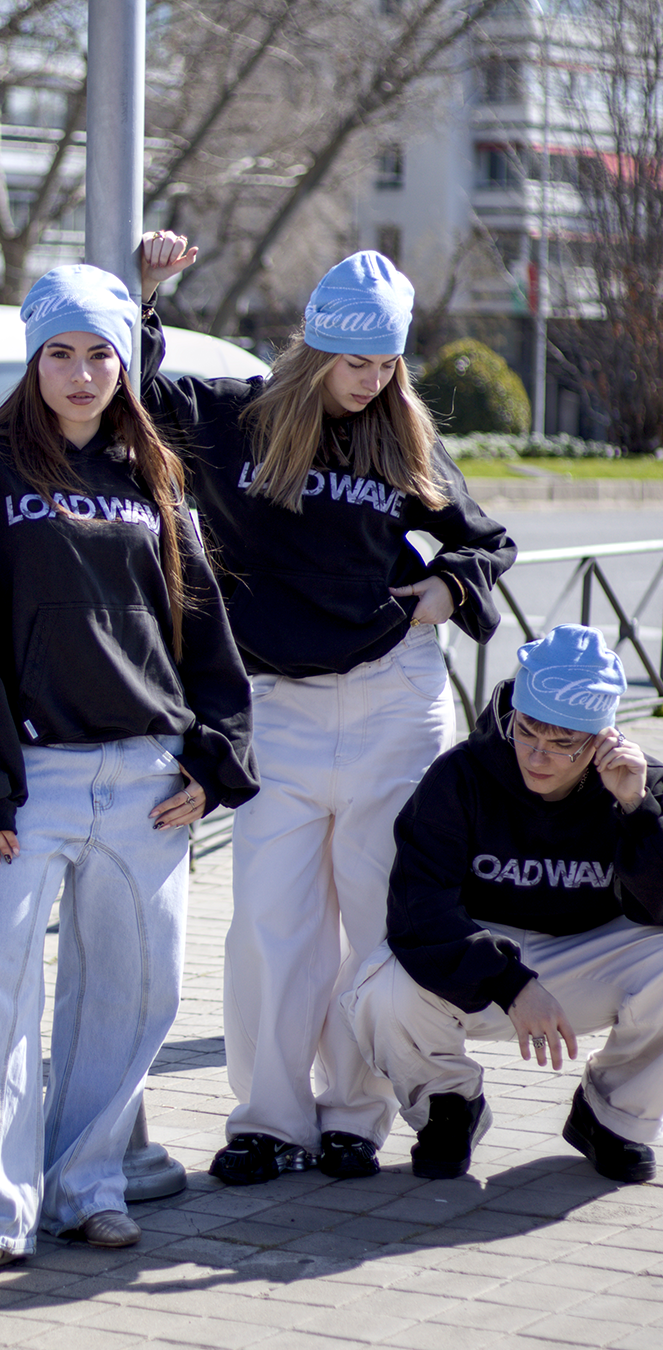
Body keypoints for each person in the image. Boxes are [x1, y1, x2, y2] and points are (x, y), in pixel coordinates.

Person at [139, 236, 515, 1183]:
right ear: (312, 352)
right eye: (356, 362)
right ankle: (269, 1121)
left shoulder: (401, 435)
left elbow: (488, 543)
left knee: (373, 918)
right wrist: (144, 293)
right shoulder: (236, 418)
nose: (373, 380)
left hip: (392, 701)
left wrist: (449, 593)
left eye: (389, 363)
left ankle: (356, 1115)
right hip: (274, 710)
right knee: (270, 921)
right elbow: (130, 385)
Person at [0, 263, 259, 1287]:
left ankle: (87, 1188)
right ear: (33, 357)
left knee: (133, 996)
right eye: (60, 352)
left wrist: (217, 755)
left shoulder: (151, 473)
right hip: (27, 782)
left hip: (148, 777)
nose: (80, 371)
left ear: (123, 359)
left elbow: (200, 623)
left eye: (100, 351)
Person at [347, 625, 663, 1182]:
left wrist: (636, 811)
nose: (539, 755)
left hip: (588, 958)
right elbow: (419, 908)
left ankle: (612, 1117)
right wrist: (511, 981)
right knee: (379, 985)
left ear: (601, 739)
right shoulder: (461, 775)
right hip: (483, 961)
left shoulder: (639, 783)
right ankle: (449, 1105)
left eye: (564, 742)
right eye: (527, 730)